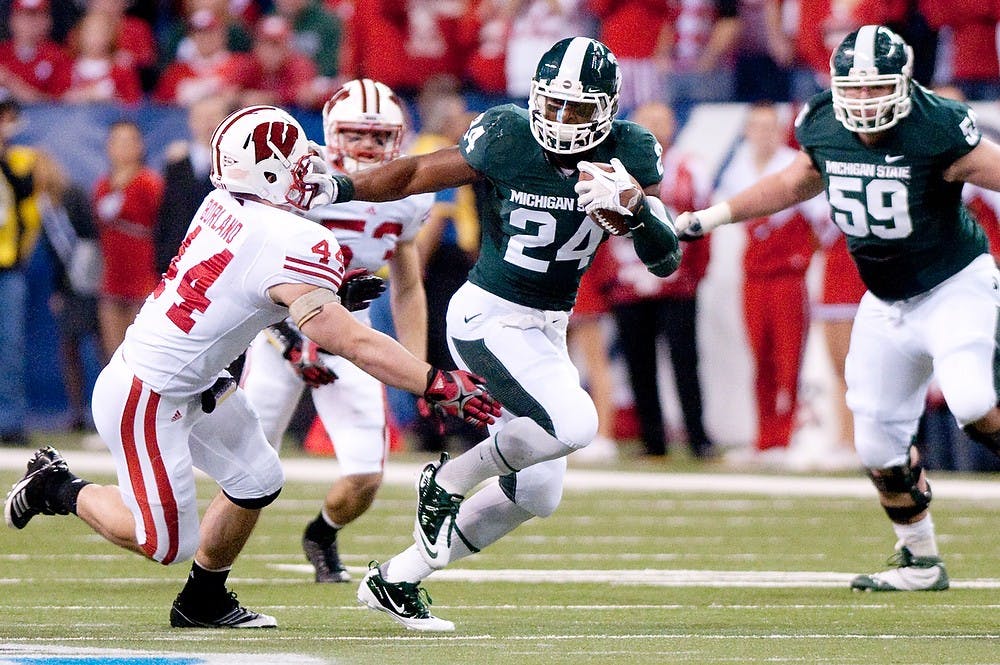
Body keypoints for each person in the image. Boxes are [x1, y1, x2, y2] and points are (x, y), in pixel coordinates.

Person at [2, 105, 501, 629]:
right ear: (265, 175)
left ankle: (202, 601)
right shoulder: (292, 238)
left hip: (194, 378)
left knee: (257, 477)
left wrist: (326, 290)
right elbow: (348, 339)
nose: (310, 173)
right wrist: (433, 380)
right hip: (148, 395)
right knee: (165, 542)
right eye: (296, 165)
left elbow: (247, 280)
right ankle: (57, 486)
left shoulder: (222, 201)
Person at [319, 36, 682, 630]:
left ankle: (399, 576)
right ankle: (450, 478)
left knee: (538, 495)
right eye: (554, 104)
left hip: (546, 329)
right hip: (488, 316)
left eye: (578, 108)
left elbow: (665, 262)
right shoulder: (508, 134)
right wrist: (341, 187)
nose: (562, 121)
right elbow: (415, 171)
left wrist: (637, 211)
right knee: (575, 424)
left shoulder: (630, 151)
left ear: (609, 107)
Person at [675, 25, 1000, 592]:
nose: (865, 101)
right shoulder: (822, 121)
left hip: (954, 283)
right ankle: (920, 560)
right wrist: (713, 217)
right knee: (876, 444)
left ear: (905, 85)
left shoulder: (938, 128)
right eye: (854, 88)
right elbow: (794, 181)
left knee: (972, 397)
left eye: (877, 89)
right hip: (886, 296)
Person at [240, 79, 434, 584]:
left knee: (366, 476)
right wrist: (289, 339)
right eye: (355, 134)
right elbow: (256, 271)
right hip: (275, 329)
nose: (368, 147)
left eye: (379, 137)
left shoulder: (409, 197)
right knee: (243, 469)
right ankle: (211, 568)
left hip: (352, 337)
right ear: (330, 133)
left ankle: (321, 533)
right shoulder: (298, 180)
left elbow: (407, 285)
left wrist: (417, 368)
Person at [587, 100, 715, 459]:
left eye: (661, 121)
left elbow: (703, 226)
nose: (656, 129)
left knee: (685, 362)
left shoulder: (690, 167)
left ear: (673, 125)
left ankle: (697, 437)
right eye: (648, 122)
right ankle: (652, 440)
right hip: (629, 283)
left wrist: (695, 274)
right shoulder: (613, 170)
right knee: (639, 366)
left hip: (677, 281)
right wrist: (610, 278)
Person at [714, 102, 836, 468]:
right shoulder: (738, 167)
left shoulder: (794, 165)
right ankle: (764, 438)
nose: (762, 134)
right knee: (761, 359)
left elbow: (823, 223)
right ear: (747, 130)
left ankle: (788, 436)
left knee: (789, 360)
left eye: (769, 127)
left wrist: (799, 255)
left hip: (787, 277)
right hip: (754, 276)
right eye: (756, 126)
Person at [92, 120, 163, 363]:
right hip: (112, 279)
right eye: (116, 142)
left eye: (129, 141)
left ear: (140, 146)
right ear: (108, 147)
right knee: (113, 353)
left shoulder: (149, 182)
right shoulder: (102, 185)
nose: (122, 148)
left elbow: (162, 228)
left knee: (141, 353)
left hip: (143, 278)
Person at [0, 91, 39, 447]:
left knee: (10, 347)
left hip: (7, 266)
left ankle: (10, 421)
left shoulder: (20, 159)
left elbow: (27, 199)